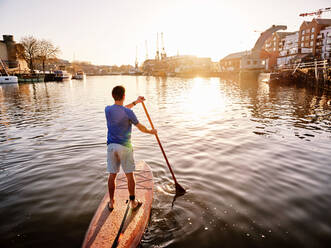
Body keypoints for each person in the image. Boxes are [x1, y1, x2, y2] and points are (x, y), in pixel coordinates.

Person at [105, 85, 157, 211]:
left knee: (112, 175)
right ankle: (133, 202)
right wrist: (151, 132)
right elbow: (140, 127)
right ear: (124, 96)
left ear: (113, 96)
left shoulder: (108, 109)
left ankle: (111, 202)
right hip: (125, 147)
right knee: (129, 175)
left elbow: (120, 109)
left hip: (111, 147)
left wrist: (136, 102)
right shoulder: (128, 112)